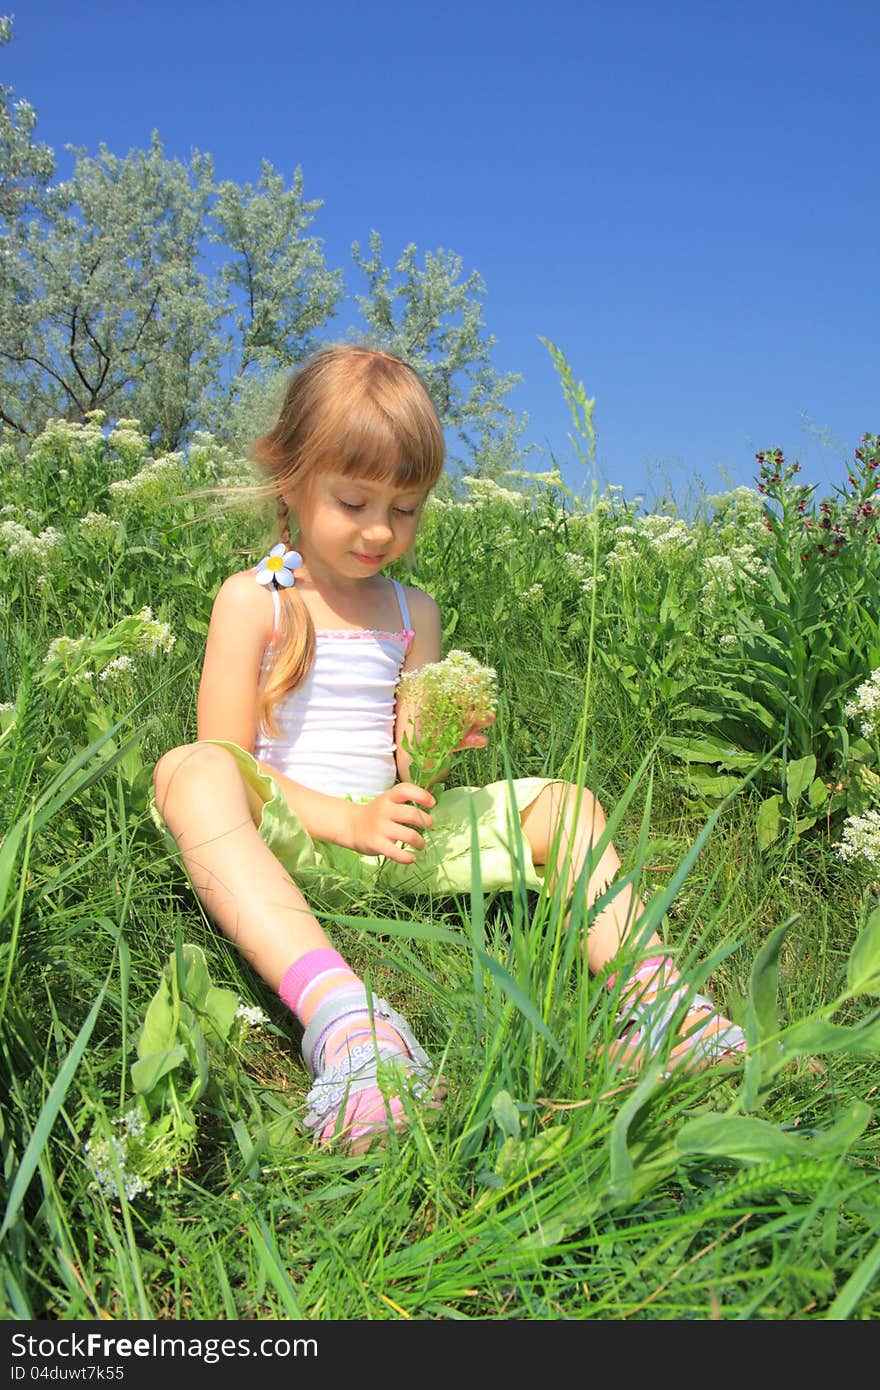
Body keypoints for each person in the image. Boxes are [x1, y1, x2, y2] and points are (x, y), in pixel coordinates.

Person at [152, 344, 745, 1156]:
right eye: (354, 500)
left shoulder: (411, 609)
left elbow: (406, 768)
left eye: (404, 509)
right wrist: (346, 823)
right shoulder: (256, 599)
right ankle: (352, 1029)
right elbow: (232, 761)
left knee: (564, 804)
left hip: (395, 843)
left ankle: (670, 1012)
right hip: (283, 840)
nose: (378, 529)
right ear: (288, 476)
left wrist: (433, 745)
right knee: (190, 770)